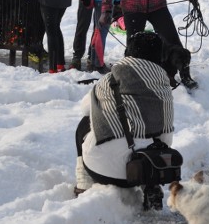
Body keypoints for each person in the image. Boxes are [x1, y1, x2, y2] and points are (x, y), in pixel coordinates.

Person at [74, 31, 175, 210]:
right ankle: (151, 185)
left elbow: (86, 109)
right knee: (152, 137)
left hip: (102, 171)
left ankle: (83, 184)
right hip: (145, 169)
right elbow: (166, 137)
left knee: (84, 124)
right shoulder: (163, 87)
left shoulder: (108, 80)